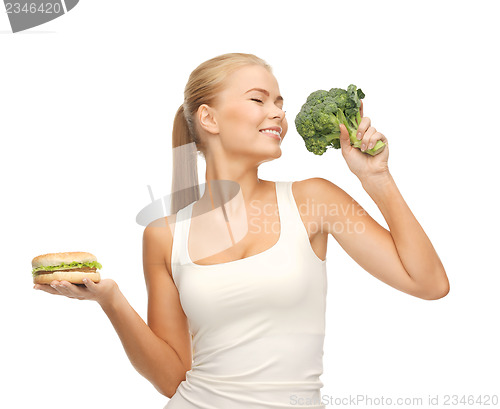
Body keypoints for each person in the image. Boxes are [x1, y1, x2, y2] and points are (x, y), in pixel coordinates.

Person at [33, 52, 450, 408]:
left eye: (280, 103)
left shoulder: (312, 200)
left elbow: (429, 283)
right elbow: (172, 377)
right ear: (208, 118)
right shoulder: (164, 234)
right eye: (259, 99)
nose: (279, 113)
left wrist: (377, 177)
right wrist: (111, 300)